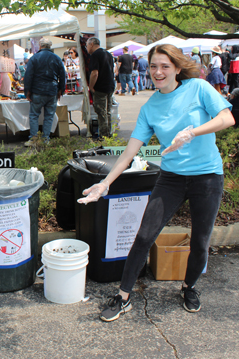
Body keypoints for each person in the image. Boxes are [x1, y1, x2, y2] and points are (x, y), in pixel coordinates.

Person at [78, 44, 235, 322]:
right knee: (143, 236)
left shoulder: (198, 88)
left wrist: (191, 132)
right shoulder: (150, 107)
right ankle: (124, 296)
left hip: (207, 177)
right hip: (171, 179)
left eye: (164, 66)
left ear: (176, 67)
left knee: (200, 241)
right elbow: (130, 152)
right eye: (153, 66)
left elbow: (227, 118)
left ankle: (189, 287)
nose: (158, 72)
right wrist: (105, 184)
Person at [23, 37, 66, 146]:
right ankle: (45, 139)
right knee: (49, 116)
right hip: (52, 90)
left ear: (40, 46)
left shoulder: (34, 58)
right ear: (50, 46)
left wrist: (27, 91)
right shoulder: (57, 58)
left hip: (37, 91)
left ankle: (34, 139)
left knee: (34, 115)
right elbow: (63, 75)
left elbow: (28, 76)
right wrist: (61, 89)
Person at [86, 37, 115, 139]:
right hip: (110, 85)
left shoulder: (95, 55)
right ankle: (108, 133)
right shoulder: (108, 54)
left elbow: (94, 73)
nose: (86, 48)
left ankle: (104, 135)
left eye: (87, 45)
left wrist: (91, 86)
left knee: (101, 111)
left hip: (100, 87)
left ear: (92, 44)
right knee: (107, 111)